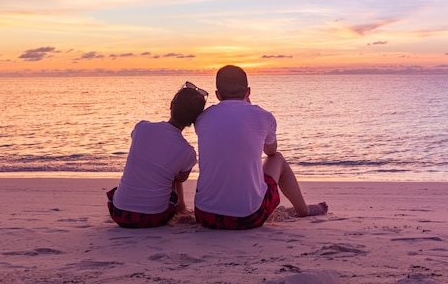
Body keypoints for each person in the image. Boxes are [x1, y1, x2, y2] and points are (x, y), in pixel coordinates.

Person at [194, 65, 328, 230]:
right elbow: (270, 151)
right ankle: (304, 210)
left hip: (205, 215)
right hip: (250, 217)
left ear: (217, 95)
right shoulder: (263, 116)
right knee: (277, 158)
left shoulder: (202, 118)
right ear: (248, 92)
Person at [106, 81, 207, 228]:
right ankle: (181, 209)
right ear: (194, 121)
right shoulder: (187, 151)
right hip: (154, 217)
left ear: (171, 105)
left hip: (119, 213)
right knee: (173, 171)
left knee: (156, 164)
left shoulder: (142, 128)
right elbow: (180, 179)